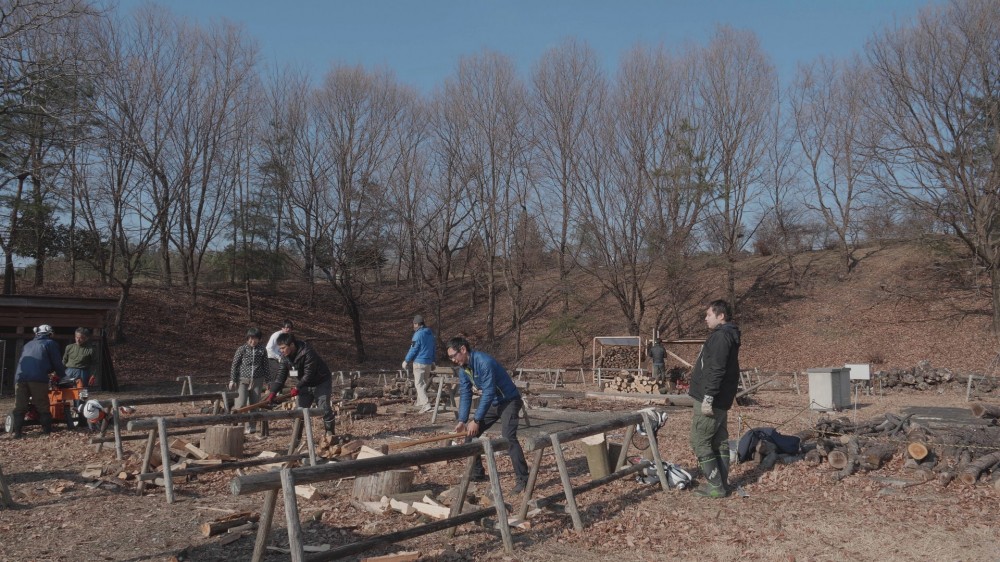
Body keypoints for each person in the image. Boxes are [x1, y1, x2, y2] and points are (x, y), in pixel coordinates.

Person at [447, 336, 529, 494]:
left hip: (509, 401)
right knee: (470, 435)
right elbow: (465, 393)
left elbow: (489, 392)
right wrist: (463, 420)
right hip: (494, 403)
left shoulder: (484, 362)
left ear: (463, 349)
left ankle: (523, 479)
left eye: (453, 356)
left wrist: (476, 419)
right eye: (450, 357)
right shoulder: (464, 369)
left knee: (508, 438)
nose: (453, 360)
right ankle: (477, 473)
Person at [687, 300, 741, 498]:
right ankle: (722, 485)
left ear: (721, 316)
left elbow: (716, 369)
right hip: (721, 398)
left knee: (699, 441)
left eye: (708, 314)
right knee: (719, 441)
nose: (705, 318)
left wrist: (708, 397)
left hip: (711, 399)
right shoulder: (727, 335)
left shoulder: (721, 337)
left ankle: (716, 486)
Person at [266, 333, 336, 435]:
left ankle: (330, 434)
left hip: (321, 381)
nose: (281, 351)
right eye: (279, 348)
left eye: (283, 348)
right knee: (299, 411)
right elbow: (280, 378)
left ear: (292, 345)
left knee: (324, 408)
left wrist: (297, 387)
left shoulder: (307, 352)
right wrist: (273, 392)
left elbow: (309, 374)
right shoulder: (285, 358)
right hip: (304, 384)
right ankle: (296, 440)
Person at [9, 324, 67, 437]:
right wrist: (63, 376)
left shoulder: (28, 344)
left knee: (20, 406)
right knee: (42, 405)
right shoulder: (50, 343)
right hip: (38, 378)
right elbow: (56, 362)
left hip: (20, 378)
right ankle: (46, 432)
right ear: (49, 334)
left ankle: (17, 433)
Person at [230, 328, 270, 434]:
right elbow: (235, 365)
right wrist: (232, 379)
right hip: (243, 380)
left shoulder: (262, 350)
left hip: (257, 380)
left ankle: (251, 426)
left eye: (256, 338)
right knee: (241, 403)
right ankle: (239, 425)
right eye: (251, 338)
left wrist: (269, 381)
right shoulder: (242, 349)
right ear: (248, 338)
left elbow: (266, 365)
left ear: (259, 339)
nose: (253, 341)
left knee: (254, 404)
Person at [402, 314, 435, 414]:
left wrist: (406, 360)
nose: (413, 326)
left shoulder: (418, 334)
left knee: (418, 384)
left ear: (417, 324)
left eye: (414, 324)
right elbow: (433, 348)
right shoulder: (430, 334)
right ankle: (420, 403)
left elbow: (413, 349)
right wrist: (433, 360)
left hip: (419, 362)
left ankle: (426, 404)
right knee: (424, 384)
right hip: (428, 362)